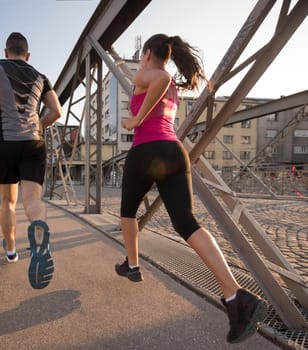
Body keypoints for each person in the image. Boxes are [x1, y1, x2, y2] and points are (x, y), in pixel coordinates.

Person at [115, 34, 268, 343]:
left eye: (143, 58)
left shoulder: (149, 73)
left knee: (127, 212)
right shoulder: (170, 87)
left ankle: (132, 264)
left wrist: (135, 119)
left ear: (147, 54)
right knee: (187, 223)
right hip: (173, 150)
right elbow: (164, 80)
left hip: (147, 151)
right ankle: (235, 297)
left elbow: (160, 76)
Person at [0, 32, 61, 289]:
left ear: (6, 52)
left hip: (5, 142)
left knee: (8, 202)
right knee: (32, 200)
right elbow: (57, 111)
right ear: (28, 55)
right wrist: (38, 124)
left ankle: (11, 250)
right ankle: (41, 238)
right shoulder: (41, 76)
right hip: (33, 143)